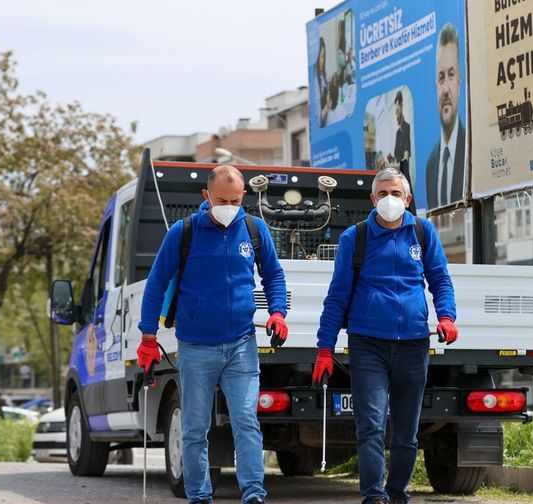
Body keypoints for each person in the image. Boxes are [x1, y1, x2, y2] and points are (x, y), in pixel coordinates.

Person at [137, 165, 289, 504]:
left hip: (241, 345)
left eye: (236, 200)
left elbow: (274, 277)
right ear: (206, 195)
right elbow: (157, 283)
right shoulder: (184, 232)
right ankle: (199, 495)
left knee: (246, 421)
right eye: (222, 199)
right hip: (196, 347)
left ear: (243, 197)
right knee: (194, 429)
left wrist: (278, 312)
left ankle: (253, 494)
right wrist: (148, 337)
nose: (229, 206)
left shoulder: (253, 228)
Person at [312, 168, 458, 504]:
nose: (389, 200)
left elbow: (440, 280)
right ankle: (374, 495)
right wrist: (325, 347)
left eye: (396, 194)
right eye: (383, 194)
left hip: (413, 343)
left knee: (407, 431)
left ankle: (397, 492)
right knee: (371, 425)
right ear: (372, 199)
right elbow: (337, 297)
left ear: (407, 199)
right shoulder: (355, 238)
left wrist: (447, 317)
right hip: (368, 344)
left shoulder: (423, 232)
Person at [425, 23, 466, 210]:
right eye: (441, 77)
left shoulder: (471, 151)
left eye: (451, 75)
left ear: (459, 82)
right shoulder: (430, 165)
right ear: (435, 87)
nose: (446, 90)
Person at [314, 37, 330, 127]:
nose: (323, 61)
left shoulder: (323, 75)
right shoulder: (315, 83)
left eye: (323, 56)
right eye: (321, 57)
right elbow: (318, 122)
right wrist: (327, 107)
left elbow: (328, 81)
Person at [392, 90, 411, 164]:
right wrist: (391, 158)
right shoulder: (397, 133)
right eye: (395, 113)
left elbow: (406, 154)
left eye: (397, 111)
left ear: (402, 105)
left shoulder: (407, 127)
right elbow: (397, 157)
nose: (396, 116)